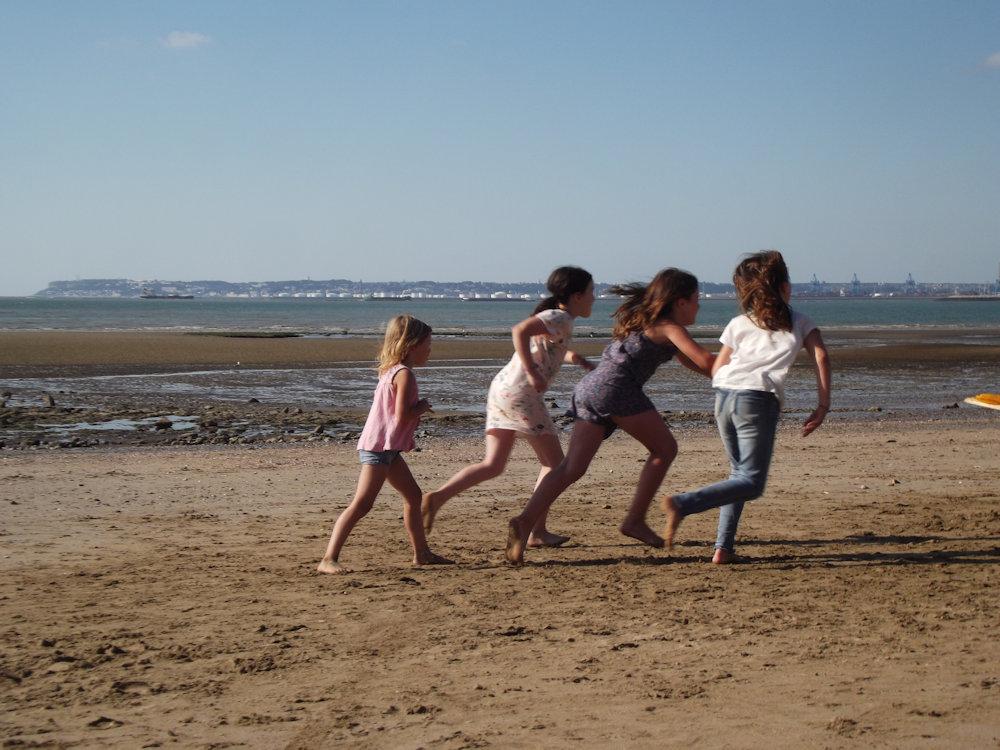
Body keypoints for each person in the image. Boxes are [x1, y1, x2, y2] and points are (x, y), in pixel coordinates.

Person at [504, 268, 716, 564]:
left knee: (571, 468)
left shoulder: (652, 323)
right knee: (665, 448)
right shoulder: (669, 327)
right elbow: (706, 359)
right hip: (616, 389)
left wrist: (726, 375)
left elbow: (698, 365)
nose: (699, 306)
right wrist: (748, 361)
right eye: (696, 299)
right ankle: (634, 520)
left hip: (590, 388)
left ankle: (525, 521)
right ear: (680, 302)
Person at [663, 250, 831, 563]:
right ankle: (683, 504)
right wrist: (822, 406)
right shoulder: (801, 322)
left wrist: (682, 357)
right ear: (784, 287)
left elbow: (717, 368)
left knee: (738, 476)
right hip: (756, 399)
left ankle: (723, 549)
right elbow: (820, 356)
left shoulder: (739, 323)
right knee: (751, 483)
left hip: (724, 397)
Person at [421, 266, 596, 547]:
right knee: (556, 465)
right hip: (522, 394)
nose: (594, 298)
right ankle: (536, 530)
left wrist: (576, 359)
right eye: (591, 292)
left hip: (502, 389)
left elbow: (549, 349)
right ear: (576, 296)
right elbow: (520, 332)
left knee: (493, 464)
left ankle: (438, 496)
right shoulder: (558, 316)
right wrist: (532, 372)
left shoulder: (558, 319)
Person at [317, 315, 452, 574]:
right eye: (428, 344)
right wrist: (421, 408)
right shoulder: (404, 375)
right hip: (379, 449)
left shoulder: (391, 369)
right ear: (412, 345)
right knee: (362, 504)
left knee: (413, 496)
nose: (430, 350)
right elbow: (402, 415)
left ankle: (421, 554)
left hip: (387, 448)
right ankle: (328, 558)